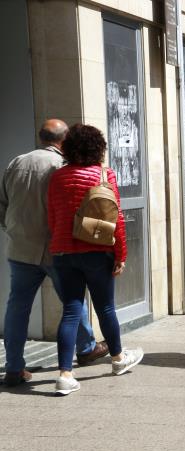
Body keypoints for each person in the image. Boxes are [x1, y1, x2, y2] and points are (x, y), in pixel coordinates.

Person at [0, 119, 106, 388]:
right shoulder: (63, 166)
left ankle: (14, 367)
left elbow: (3, 203)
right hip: (56, 248)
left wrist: (12, 229)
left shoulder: (17, 162)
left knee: (17, 307)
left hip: (20, 247)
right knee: (72, 302)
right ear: (64, 139)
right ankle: (86, 347)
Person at [47, 124, 143, 395]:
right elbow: (117, 220)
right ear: (98, 147)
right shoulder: (104, 174)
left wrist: (60, 242)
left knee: (70, 312)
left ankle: (65, 375)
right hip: (97, 251)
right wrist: (120, 255)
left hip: (63, 253)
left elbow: (52, 218)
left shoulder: (57, 178)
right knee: (106, 309)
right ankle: (117, 359)